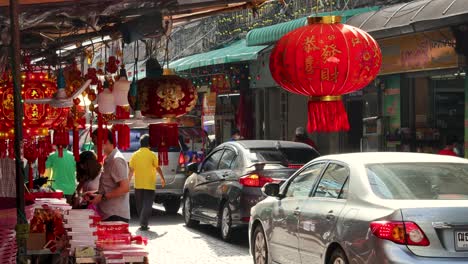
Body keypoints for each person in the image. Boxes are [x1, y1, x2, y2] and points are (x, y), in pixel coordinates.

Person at [86, 129, 130, 222]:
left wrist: (102, 197)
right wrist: (96, 194)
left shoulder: (116, 160)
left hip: (115, 214)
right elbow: (109, 187)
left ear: (104, 141)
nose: (94, 146)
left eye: (95, 142)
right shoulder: (109, 159)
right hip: (108, 213)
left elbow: (124, 188)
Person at [128, 134, 166, 231]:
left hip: (138, 184)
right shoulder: (152, 154)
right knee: (147, 204)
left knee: (140, 205)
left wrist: (127, 181)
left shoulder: (135, 155)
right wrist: (162, 178)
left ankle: (143, 223)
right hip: (149, 184)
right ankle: (143, 223)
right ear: (149, 144)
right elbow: (157, 167)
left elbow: (131, 170)